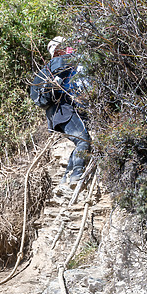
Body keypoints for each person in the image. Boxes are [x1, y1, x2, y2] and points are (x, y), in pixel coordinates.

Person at [29, 36, 91, 185]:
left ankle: (65, 178)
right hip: (64, 112)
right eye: (66, 47)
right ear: (59, 51)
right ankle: (76, 174)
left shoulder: (52, 69)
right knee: (83, 141)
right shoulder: (61, 64)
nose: (70, 50)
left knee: (80, 140)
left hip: (57, 116)